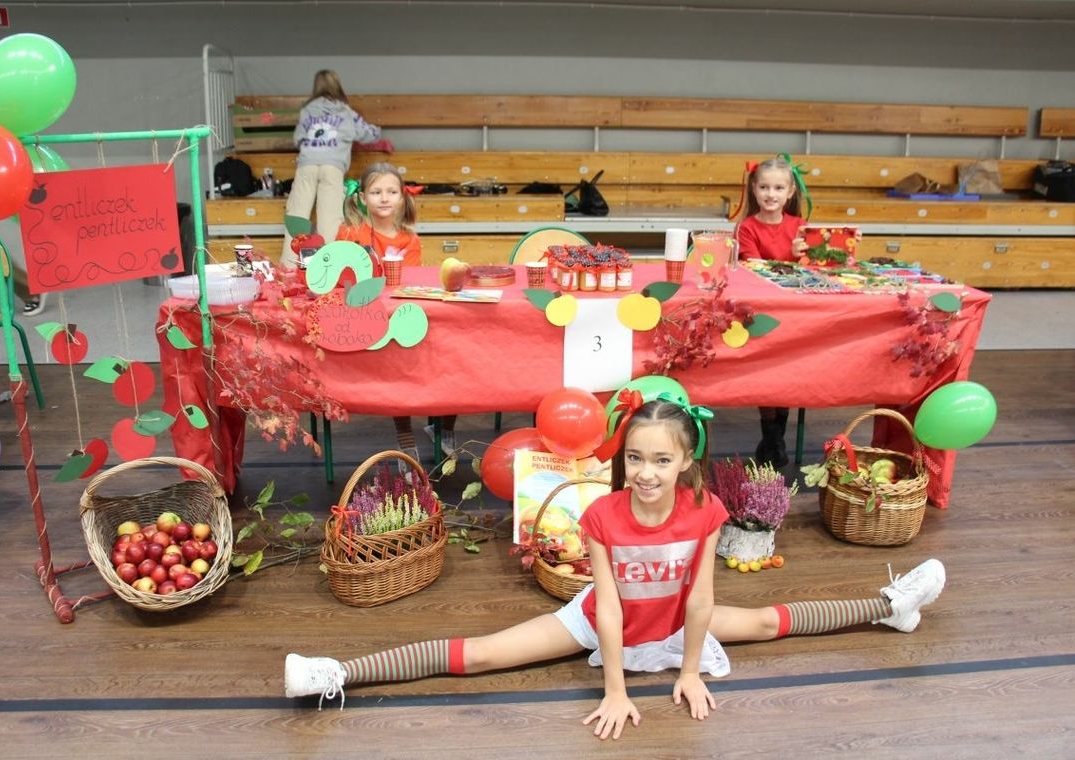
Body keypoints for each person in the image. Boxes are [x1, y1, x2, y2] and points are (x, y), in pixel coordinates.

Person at [284, 398, 946, 740]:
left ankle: (891, 606)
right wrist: (617, 689)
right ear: (621, 459)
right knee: (487, 654)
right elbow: (605, 605)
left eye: (662, 460)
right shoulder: (602, 515)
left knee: (773, 623)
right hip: (606, 620)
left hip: (678, 617)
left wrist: (688, 670)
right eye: (635, 458)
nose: (647, 473)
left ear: (685, 461)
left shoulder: (704, 511)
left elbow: (700, 600)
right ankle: (339, 672)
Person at [336, 162, 450, 460]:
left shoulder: (409, 239)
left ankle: (444, 426)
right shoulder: (349, 232)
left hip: (401, 312)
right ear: (361, 197)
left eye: (391, 191)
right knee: (399, 360)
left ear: (401, 197)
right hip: (367, 317)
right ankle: (404, 430)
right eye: (376, 192)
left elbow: (408, 283)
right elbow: (341, 279)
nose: (384, 198)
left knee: (446, 351)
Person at [733, 156, 810, 467]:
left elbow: (812, 269)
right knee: (768, 369)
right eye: (764, 187)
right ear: (754, 189)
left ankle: (774, 438)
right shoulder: (747, 228)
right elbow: (754, 268)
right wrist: (790, 260)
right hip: (762, 311)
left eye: (778, 187)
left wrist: (802, 257)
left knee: (789, 369)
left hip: (794, 311)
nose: (771, 194)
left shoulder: (799, 227)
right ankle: (773, 436)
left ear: (789, 192)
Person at [280, 69, 383, 269]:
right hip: (333, 167)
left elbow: (297, 139)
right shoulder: (346, 112)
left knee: (297, 216)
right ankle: (326, 268)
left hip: (307, 165)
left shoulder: (307, 110)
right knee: (329, 220)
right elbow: (369, 134)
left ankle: (288, 267)